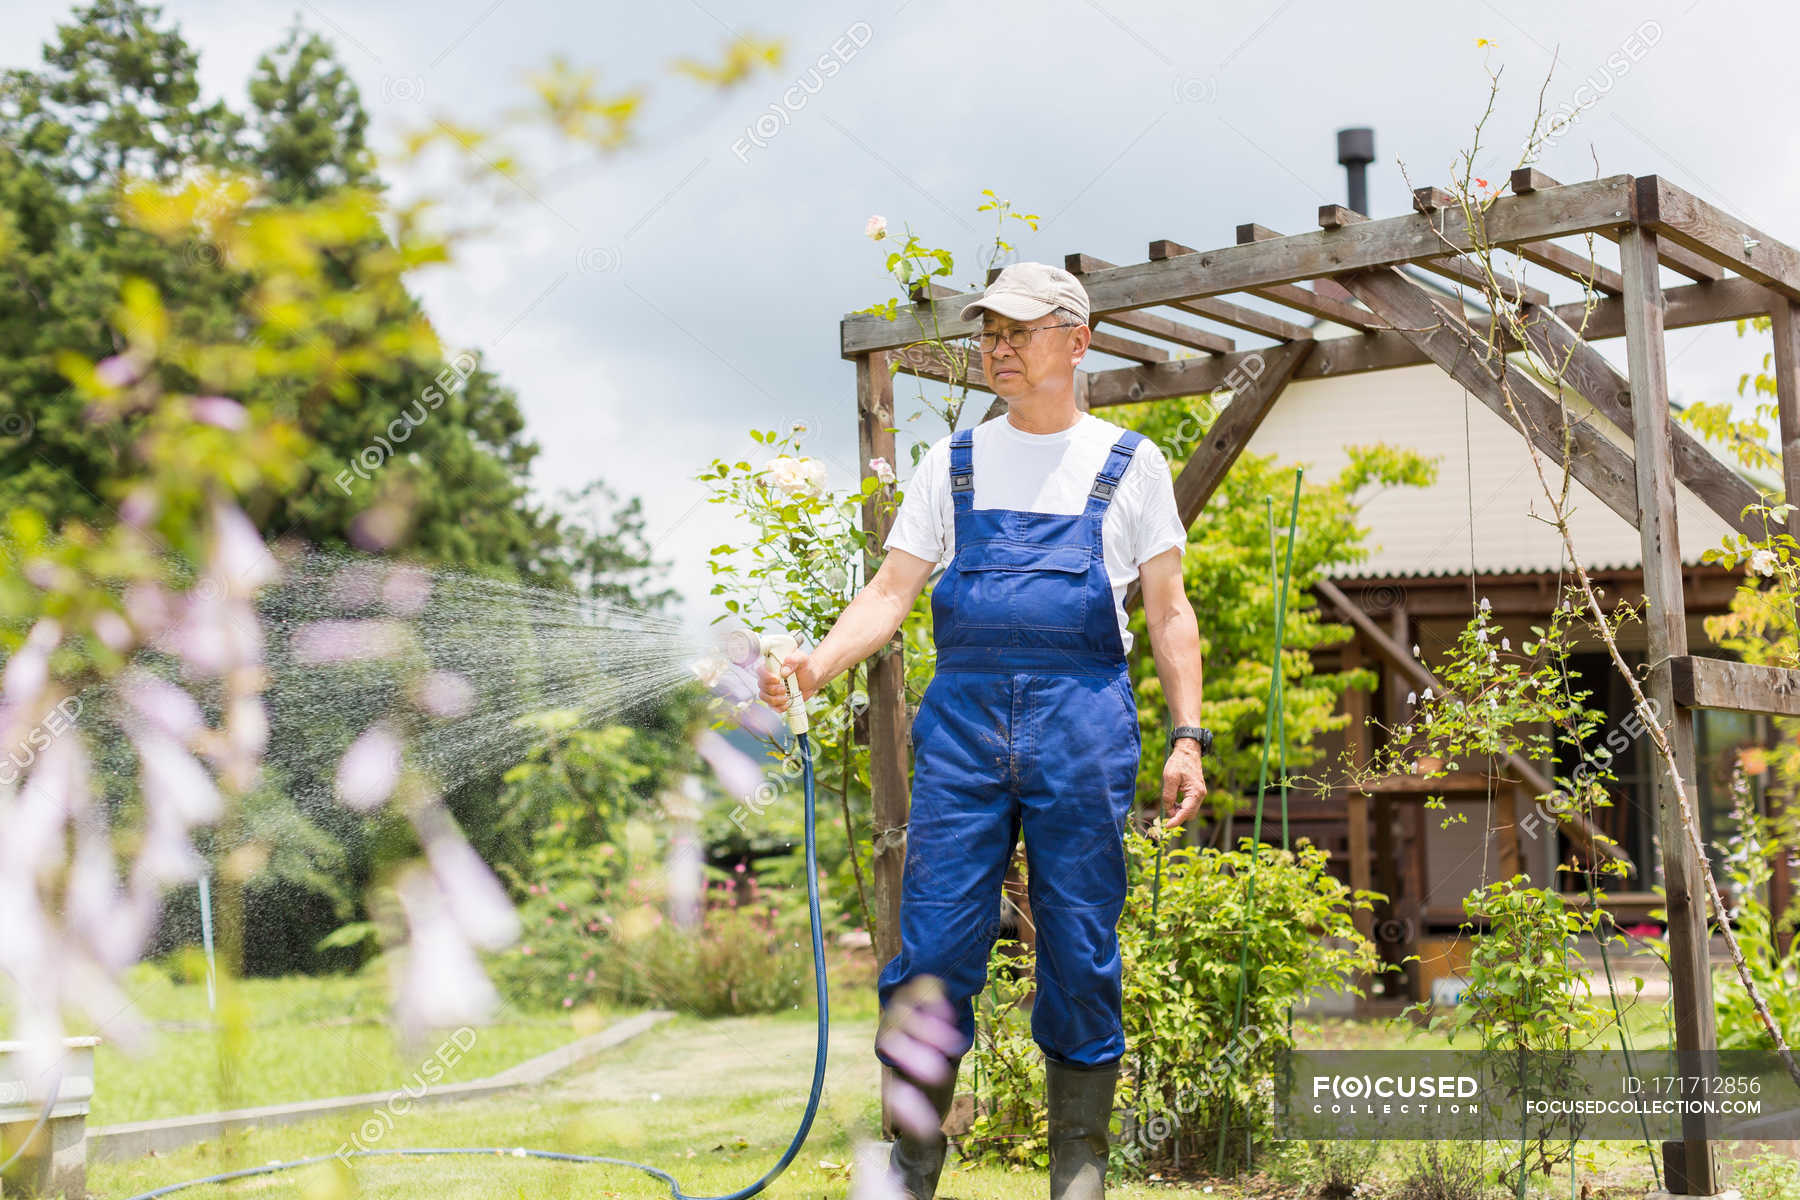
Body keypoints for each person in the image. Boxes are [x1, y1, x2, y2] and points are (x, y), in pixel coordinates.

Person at [761, 261, 1209, 1200]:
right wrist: (815, 665)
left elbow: (1168, 613)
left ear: (1077, 341)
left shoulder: (1131, 462)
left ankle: (1077, 1174)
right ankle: (913, 1171)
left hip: (1082, 721)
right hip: (963, 728)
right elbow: (889, 593)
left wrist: (1187, 736)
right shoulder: (952, 463)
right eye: (988, 333)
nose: (997, 348)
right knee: (930, 955)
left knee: (1081, 949)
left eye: (1018, 331)